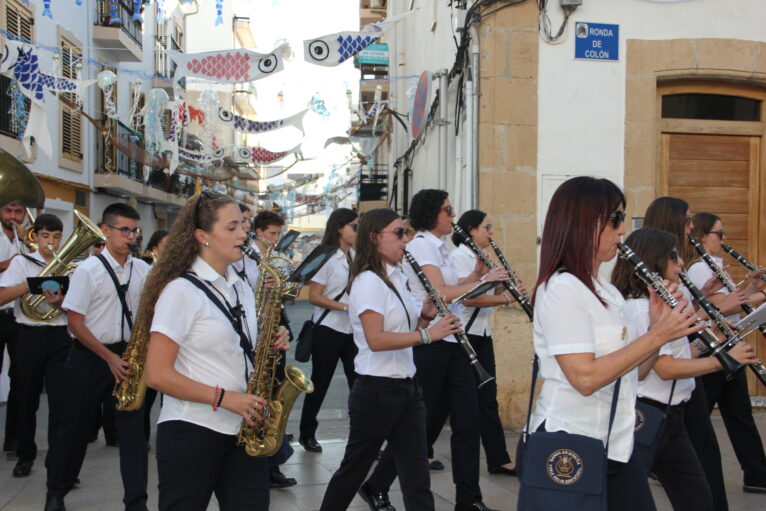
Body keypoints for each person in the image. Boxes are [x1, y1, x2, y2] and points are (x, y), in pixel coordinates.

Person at [529, 176, 698, 510]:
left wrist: (658, 326)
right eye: (615, 219)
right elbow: (584, 378)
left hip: (615, 442)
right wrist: (657, 336)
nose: (622, 230)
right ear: (583, 224)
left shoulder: (605, 292)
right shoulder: (562, 290)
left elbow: (636, 373)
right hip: (573, 441)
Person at [143, 190, 289, 511]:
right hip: (192, 431)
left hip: (242, 428)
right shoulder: (180, 292)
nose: (244, 234)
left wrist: (271, 334)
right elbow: (157, 374)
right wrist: (226, 398)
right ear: (202, 236)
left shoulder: (239, 284)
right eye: (232, 227)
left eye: (243, 226)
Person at [363, 190, 508, 511]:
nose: (453, 215)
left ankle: (469, 500)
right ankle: (376, 483)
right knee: (419, 427)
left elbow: (455, 290)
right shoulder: (422, 245)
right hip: (431, 342)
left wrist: (479, 276)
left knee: (467, 423)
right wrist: (488, 282)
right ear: (432, 212)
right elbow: (442, 292)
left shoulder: (440, 248)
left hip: (454, 340)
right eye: (448, 210)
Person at [319, 208, 461, 511]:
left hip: (407, 388)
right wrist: (429, 336)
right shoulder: (368, 280)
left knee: (416, 476)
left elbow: (405, 329)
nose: (405, 240)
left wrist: (425, 315)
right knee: (353, 471)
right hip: (377, 392)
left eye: (406, 233)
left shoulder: (396, 276)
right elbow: (377, 339)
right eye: (398, 233)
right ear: (374, 238)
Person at [612, 227, 757, 510]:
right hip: (648, 413)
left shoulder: (662, 305)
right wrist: (725, 361)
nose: (681, 263)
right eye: (674, 256)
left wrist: (712, 337)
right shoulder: (640, 309)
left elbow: (681, 354)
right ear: (655, 260)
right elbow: (664, 369)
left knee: (699, 499)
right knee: (626, 497)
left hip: (673, 417)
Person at [45, 203, 151, 511]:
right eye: (125, 230)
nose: (131, 236)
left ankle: (136, 502)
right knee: (74, 428)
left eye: (134, 230)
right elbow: (75, 323)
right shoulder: (87, 270)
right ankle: (56, 492)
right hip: (90, 357)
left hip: (127, 358)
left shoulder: (142, 269)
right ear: (105, 232)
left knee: (133, 436)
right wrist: (108, 358)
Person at [643, 197, 733, 509]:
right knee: (698, 457)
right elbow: (661, 351)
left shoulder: (676, 266)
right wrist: (718, 357)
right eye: (687, 221)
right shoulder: (659, 274)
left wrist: (702, 302)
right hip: (663, 391)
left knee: (701, 456)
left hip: (682, 384)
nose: (692, 227)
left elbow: (680, 319)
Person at [686, 212, 766, 495]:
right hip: (711, 345)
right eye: (718, 234)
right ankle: (665, 462)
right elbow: (724, 307)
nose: (724, 239)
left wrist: (755, 287)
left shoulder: (716, 265)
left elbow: (734, 302)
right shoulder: (699, 268)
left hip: (728, 342)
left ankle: (757, 474)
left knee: (739, 411)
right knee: (696, 415)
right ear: (702, 237)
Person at [446, 210, 517, 475]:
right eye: (487, 227)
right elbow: (466, 297)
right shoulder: (460, 257)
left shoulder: (483, 256)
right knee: (449, 402)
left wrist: (503, 284)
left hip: (482, 332)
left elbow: (488, 290)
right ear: (471, 230)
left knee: (488, 397)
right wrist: (504, 299)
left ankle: (498, 458)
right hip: (465, 333)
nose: (491, 232)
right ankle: (424, 452)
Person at [0, 214, 69, 478]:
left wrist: (62, 301)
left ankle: (59, 462)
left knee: (61, 402)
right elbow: (2, 296)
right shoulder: (21, 262)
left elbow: (78, 305)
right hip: (29, 335)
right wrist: (32, 285)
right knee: (26, 399)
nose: (50, 242)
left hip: (60, 336)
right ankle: (25, 455)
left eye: (56, 236)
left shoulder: (70, 264)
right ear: (35, 236)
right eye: (45, 236)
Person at [299, 208, 359, 453]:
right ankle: (307, 433)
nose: (358, 231)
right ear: (339, 228)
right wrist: (345, 306)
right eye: (354, 226)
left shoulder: (354, 256)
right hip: (328, 329)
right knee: (320, 383)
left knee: (359, 384)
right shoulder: (326, 257)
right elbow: (315, 296)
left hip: (351, 330)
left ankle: (361, 437)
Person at [250, 208, 297, 487]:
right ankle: (264, 464)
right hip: (255, 335)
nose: (275, 239)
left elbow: (290, 294)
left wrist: (283, 285)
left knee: (275, 396)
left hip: (274, 330)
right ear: (258, 232)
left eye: (278, 234)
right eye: (271, 234)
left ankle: (272, 461)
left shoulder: (277, 259)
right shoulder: (246, 261)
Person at [0, 201, 27, 454]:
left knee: (20, 378)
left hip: (18, 315)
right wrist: (9, 263)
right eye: (8, 211)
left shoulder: (26, 239)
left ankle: (14, 440)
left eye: (18, 212)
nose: (13, 217)